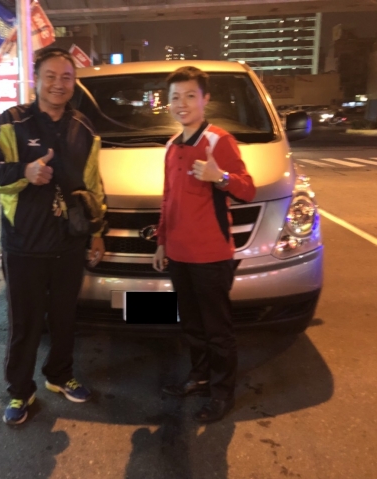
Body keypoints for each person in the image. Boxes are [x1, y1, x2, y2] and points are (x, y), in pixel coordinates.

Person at [0, 47, 106, 425]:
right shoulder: (10, 123)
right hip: (24, 244)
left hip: (69, 242)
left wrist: (97, 232)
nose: (58, 84)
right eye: (50, 76)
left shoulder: (84, 128)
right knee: (26, 323)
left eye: (66, 77)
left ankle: (60, 375)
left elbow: (94, 184)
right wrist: (25, 172)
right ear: (36, 80)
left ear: (74, 83)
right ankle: (20, 391)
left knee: (65, 318)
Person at [152, 66, 255, 423]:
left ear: (205, 99)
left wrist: (220, 176)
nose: (181, 104)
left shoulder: (218, 141)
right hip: (179, 254)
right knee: (192, 326)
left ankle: (222, 392)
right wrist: (162, 242)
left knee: (217, 330)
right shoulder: (171, 146)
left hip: (211, 255)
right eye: (175, 97)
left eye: (190, 96)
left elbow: (247, 189)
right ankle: (199, 377)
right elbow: (168, 199)